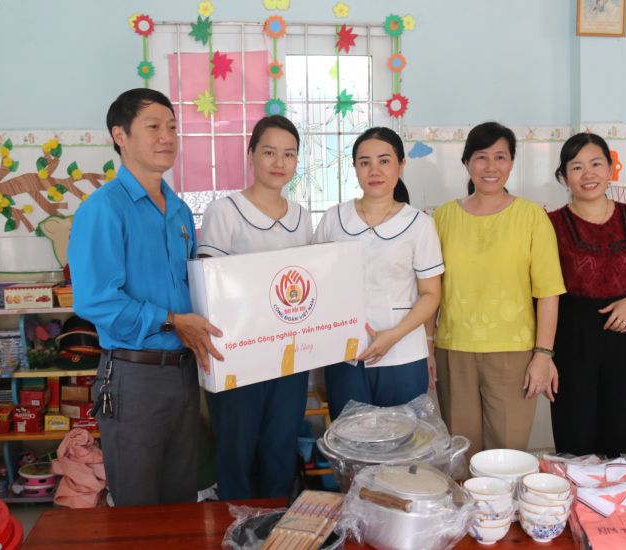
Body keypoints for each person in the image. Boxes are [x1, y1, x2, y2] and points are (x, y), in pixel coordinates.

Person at [68, 88, 224, 506]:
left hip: (183, 373)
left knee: (180, 497)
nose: (167, 137)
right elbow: (96, 300)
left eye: (172, 127)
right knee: (138, 504)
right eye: (153, 127)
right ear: (120, 135)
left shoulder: (179, 211)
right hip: (134, 377)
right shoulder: (104, 209)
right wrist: (172, 320)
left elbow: (190, 286)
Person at [432, 121, 566, 458]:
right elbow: (431, 289)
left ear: (511, 163)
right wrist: (428, 346)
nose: (490, 167)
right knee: (460, 455)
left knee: (507, 456)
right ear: (467, 162)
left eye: (500, 157)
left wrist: (543, 355)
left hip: (514, 354)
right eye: (481, 157)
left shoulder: (532, 217)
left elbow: (548, 293)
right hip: (454, 350)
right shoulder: (443, 218)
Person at [198, 115, 312, 500]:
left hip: (290, 356)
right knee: (236, 450)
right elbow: (210, 286)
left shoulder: (301, 217)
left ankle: (275, 523)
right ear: (251, 155)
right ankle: (236, 525)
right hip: (238, 355)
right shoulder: (224, 211)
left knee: (281, 447)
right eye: (269, 152)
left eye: (289, 154)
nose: (279, 162)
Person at [548, 132, 626, 457]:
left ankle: (620, 490)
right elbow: (541, 290)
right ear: (564, 177)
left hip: (624, 334)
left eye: (596, 164)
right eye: (576, 167)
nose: (588, 174)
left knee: (620, 433)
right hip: (571, 335)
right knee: (574, 434)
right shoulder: (551, 224)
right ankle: (575, 490)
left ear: (611, 169)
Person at [313, 127, 443, 420]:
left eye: (384, 161)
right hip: (345, 356)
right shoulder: (334, 219)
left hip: (403, 355)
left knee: (403, 441)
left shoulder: (420, 225)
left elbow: (431, 294)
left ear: (401, 165)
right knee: (350, 439)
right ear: (355, 168)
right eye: (365, 162)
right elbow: (317, 283)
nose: (374, 170)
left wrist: (393, 335)